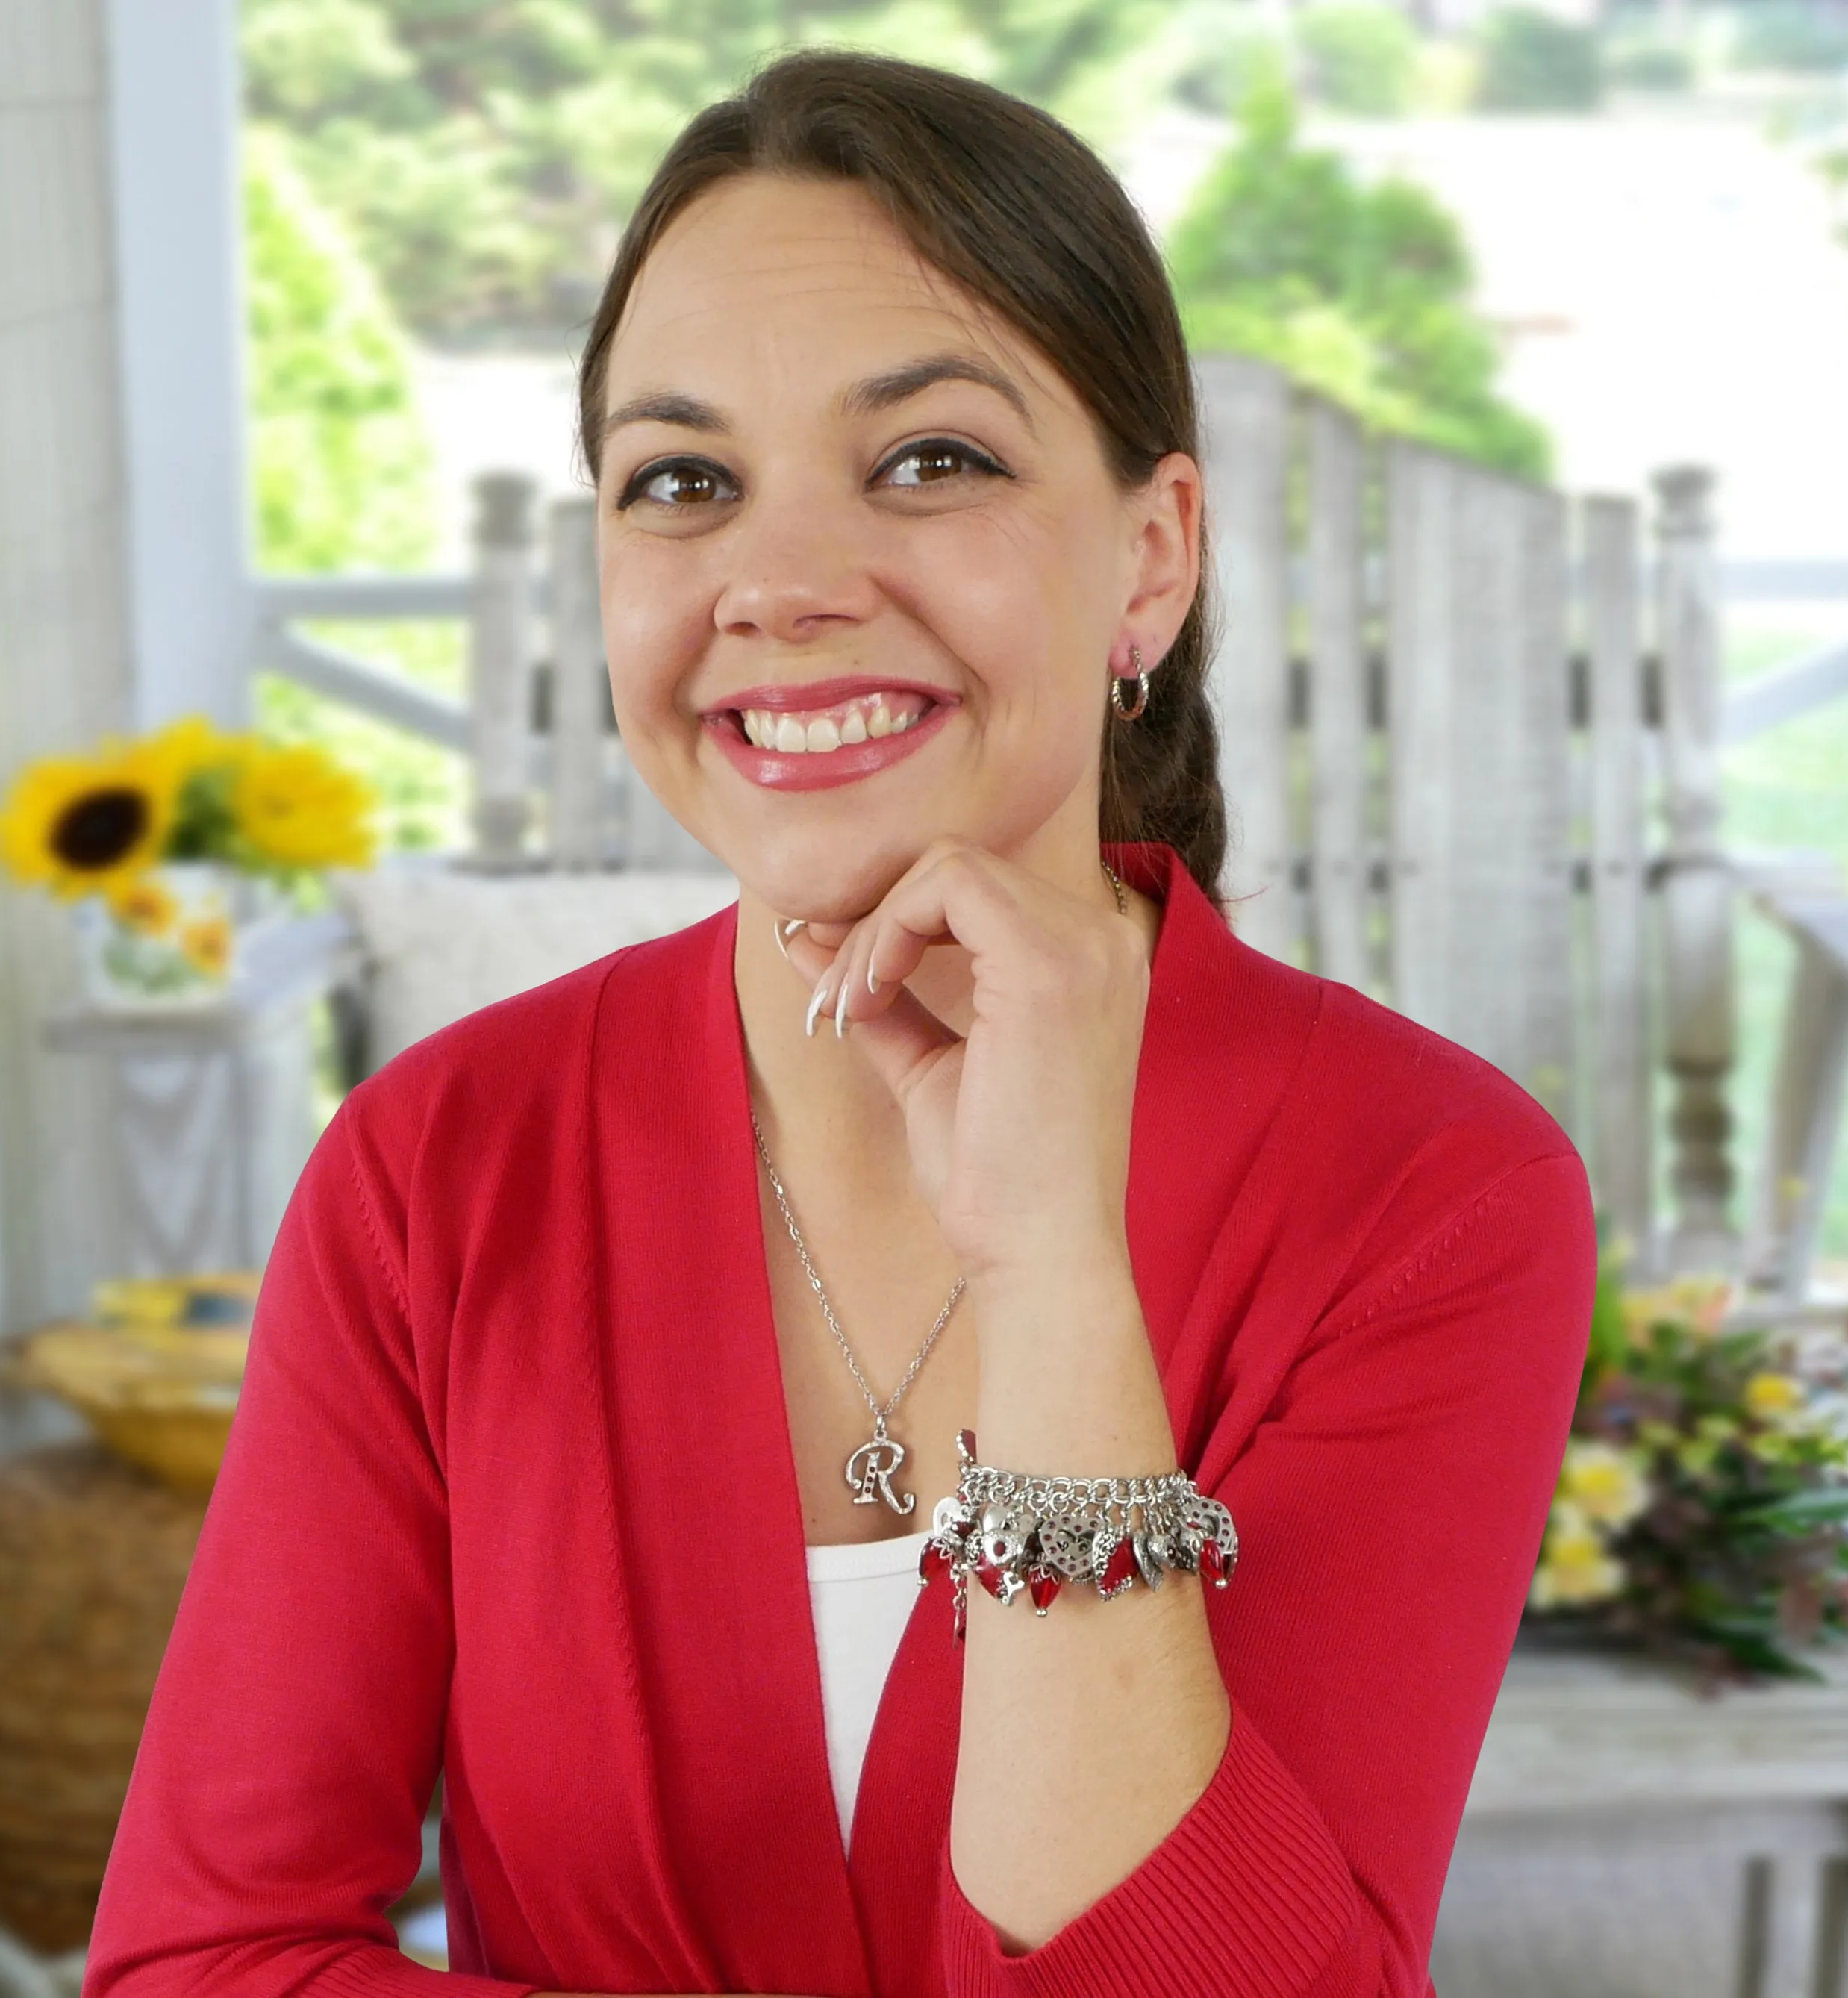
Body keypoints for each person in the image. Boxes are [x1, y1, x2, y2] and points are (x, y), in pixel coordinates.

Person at [83, 49, 1596, 1998]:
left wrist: (1053, 1268)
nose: (778, 585)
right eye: (682, 481)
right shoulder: (437, 1166)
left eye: (930, 458)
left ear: (1148, 555)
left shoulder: (1429, 1193)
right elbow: (201, 1956)